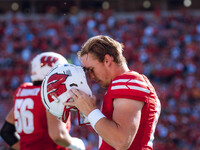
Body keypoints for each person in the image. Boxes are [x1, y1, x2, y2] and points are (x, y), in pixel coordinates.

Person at [65, 35, 161, 150]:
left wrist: (89, 110)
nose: (91, 76)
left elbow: (121, 141)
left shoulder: (127, 83)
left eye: (91, 69)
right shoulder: (128, 82)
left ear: (107, 60)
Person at [0, 52, 85, 150]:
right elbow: (58, 135)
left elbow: (6, 131)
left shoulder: (23, 91)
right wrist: (77, 145)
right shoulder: (51, 93)